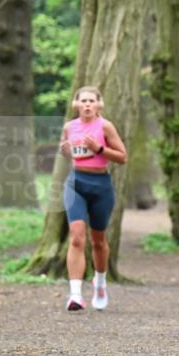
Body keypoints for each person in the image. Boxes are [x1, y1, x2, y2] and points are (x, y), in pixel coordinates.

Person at [58, 86, 128, 312]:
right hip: (76, 182)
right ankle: (75, 295)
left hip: (101, 185)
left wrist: (98, 148)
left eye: (91, 101)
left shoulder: (105, 126)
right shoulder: (69, 127)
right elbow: (68, 151)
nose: (87, 104)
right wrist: (65, 151)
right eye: (83, 101)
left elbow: (122, 157)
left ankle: (100, 282)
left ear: (99, 104)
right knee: (77, 237)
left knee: (98, 240)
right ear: (76, 104)